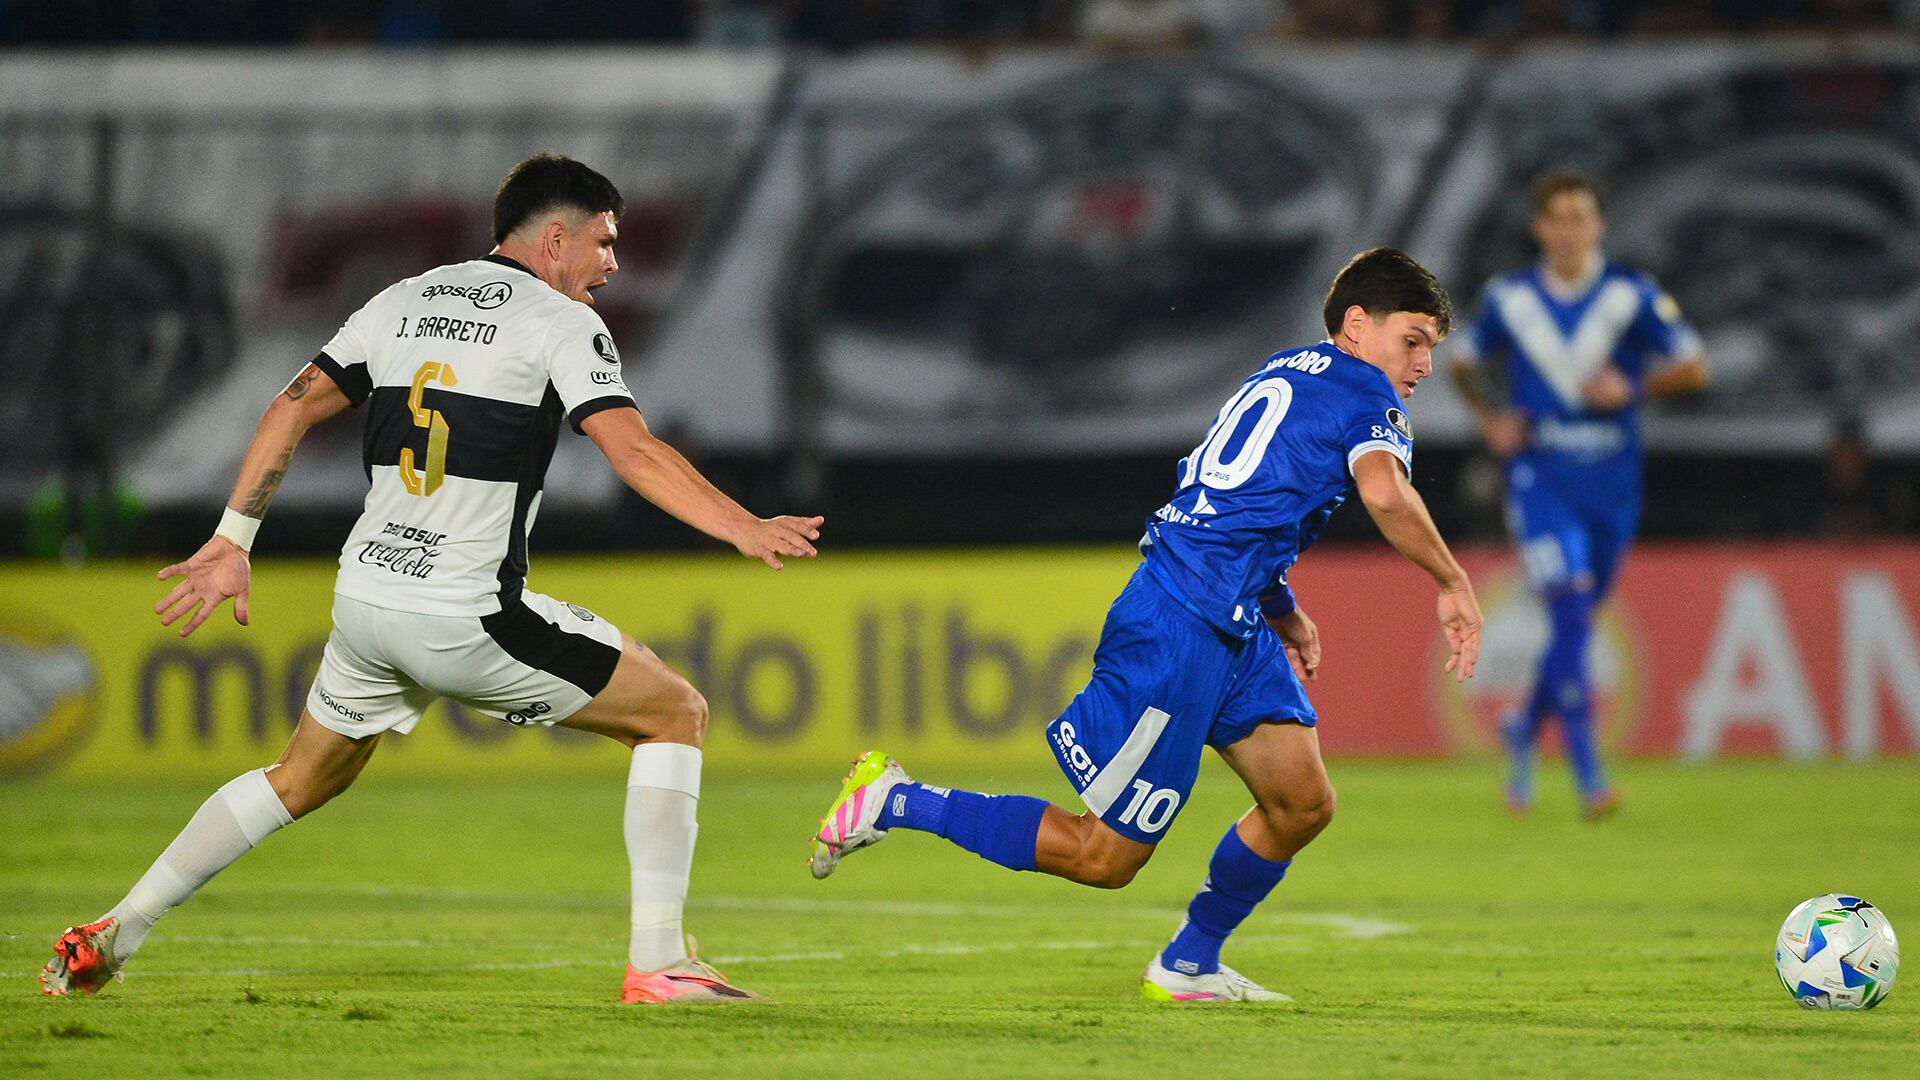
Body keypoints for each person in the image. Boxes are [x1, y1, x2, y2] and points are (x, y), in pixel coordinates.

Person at [41, 154, 824, 1004]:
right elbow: (630, 448)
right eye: (603, 243)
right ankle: (661, 963)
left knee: (300, 778)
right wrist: (740, 524)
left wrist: (233, 541)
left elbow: (290, 405)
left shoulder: (403, 297)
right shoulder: (559, 324)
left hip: (370, 600)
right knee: (675, 712)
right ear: (554, 239)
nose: (612, 265)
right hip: (465, 615)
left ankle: (115, 930)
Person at [811, 248, 1483, 1003]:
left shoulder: (1289, 368)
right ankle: (895, 799)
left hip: (1230, 618)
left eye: (1432, 346)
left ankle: (1189, 962)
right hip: (1180, 624)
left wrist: (1280, 607)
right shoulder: (1367, 393)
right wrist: (1452, 581)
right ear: (1358, 326)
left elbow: (1227, 495)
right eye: (1414, 339)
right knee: (1105, 858)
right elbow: (1386, 496)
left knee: (1302, 803)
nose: (1423, 364)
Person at [1448, 170, 1707, 819]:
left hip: (1612, 488)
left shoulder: (1629, 295)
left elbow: (1695, 364)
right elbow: (1460, 361)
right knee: (1569, 611)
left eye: (1580, 217)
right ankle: (1590, 775)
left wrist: (1635, 391)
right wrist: (1492, 419)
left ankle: (1522, 733)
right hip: (1541, 481)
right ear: (1540, 228)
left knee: (1575, 623)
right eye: (1557, 218)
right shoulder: (1510, 300)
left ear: (1598, 226)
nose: (1568, 229)